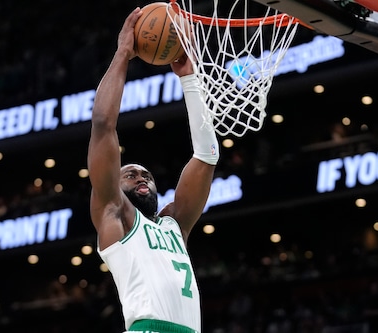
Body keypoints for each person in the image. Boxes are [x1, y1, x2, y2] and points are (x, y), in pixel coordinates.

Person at [87, 6, 220, 333]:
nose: (141, 177)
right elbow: (104, 126)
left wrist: (189, 79)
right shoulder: (114, 214)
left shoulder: (175, 225)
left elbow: (206, 156)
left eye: (146, 174)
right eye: (130, 174)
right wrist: (123, 54)